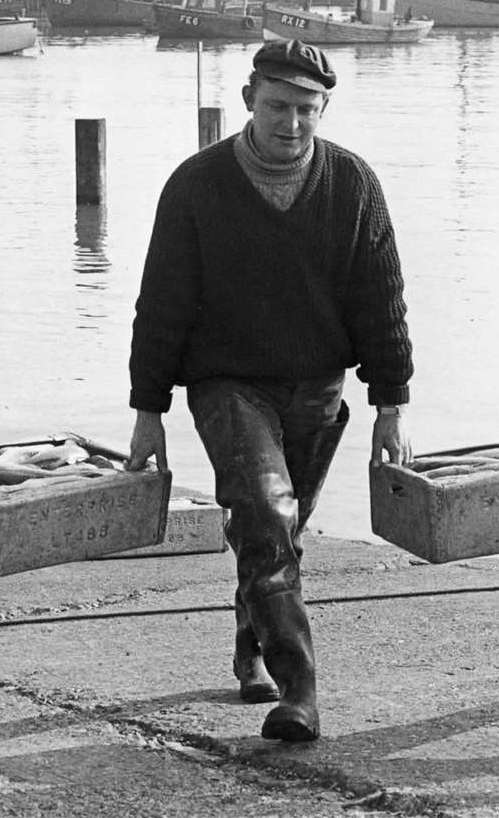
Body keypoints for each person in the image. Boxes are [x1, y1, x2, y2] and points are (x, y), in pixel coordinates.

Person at [127, 38, 414, 744]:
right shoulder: (195, 185)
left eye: (306, 111)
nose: (290, 123)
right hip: (226, 383)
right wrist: (148, 411)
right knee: (263, 507)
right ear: (250, 98)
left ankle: (250, 636)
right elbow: (160, 305)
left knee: (276, 533)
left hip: (318, 384)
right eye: (278, 106)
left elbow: (382, 301)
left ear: (323, 110)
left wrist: (391, 405)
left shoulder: (353, 185)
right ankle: (300, 690)